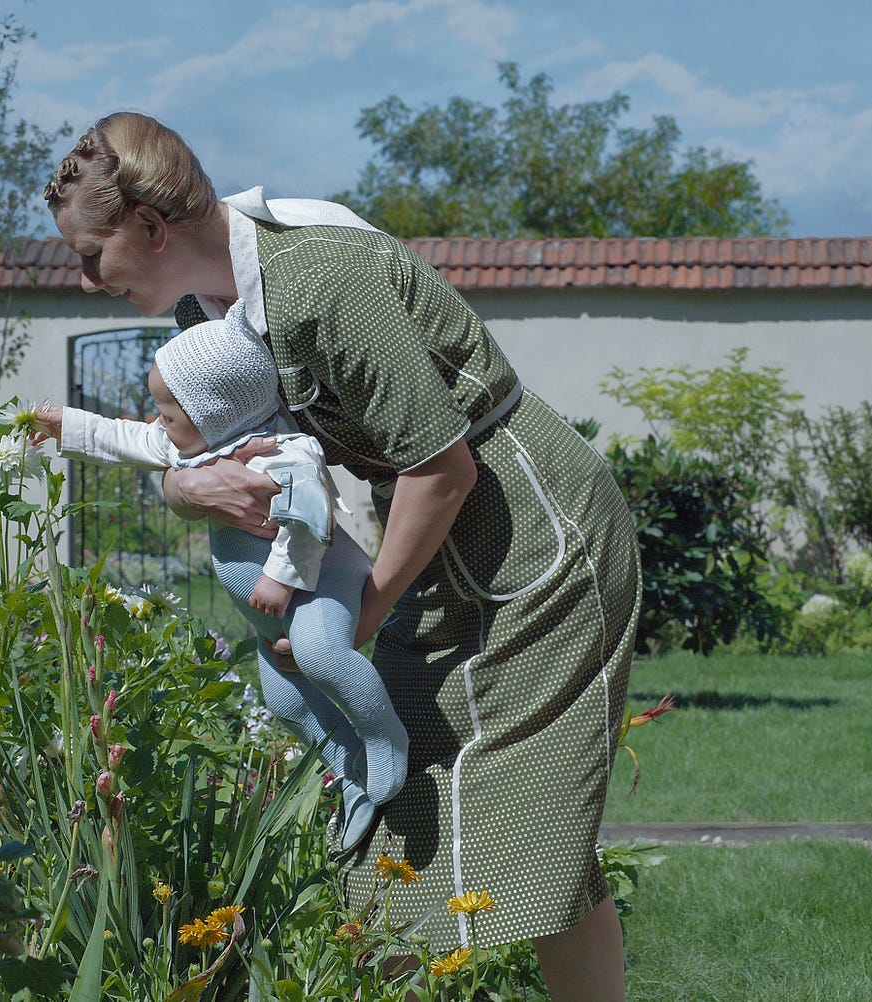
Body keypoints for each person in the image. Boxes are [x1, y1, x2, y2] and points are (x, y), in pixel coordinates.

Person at [41, 112, 642, 1001]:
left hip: (536, 542)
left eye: (92, 256)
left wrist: (362, 618)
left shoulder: (318, 282)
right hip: (445, 548)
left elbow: (443, 468)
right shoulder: (216, 312)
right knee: (404, 811)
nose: (88, 281)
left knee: (526, 828)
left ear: (150, 229)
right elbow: (211, 451)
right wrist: (184, 489)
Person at [35, 302, 408, 852]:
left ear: (213, 410)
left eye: (168, 411)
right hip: (268, 611)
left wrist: (280, 578)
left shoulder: (284, 452)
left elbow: (310, 517)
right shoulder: (198, 446)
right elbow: (126, 438)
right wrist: (65, 425)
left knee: (321, 654)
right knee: (284, 700)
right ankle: (348, 765)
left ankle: (384, 740)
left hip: (318, 583)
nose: (157, 420)